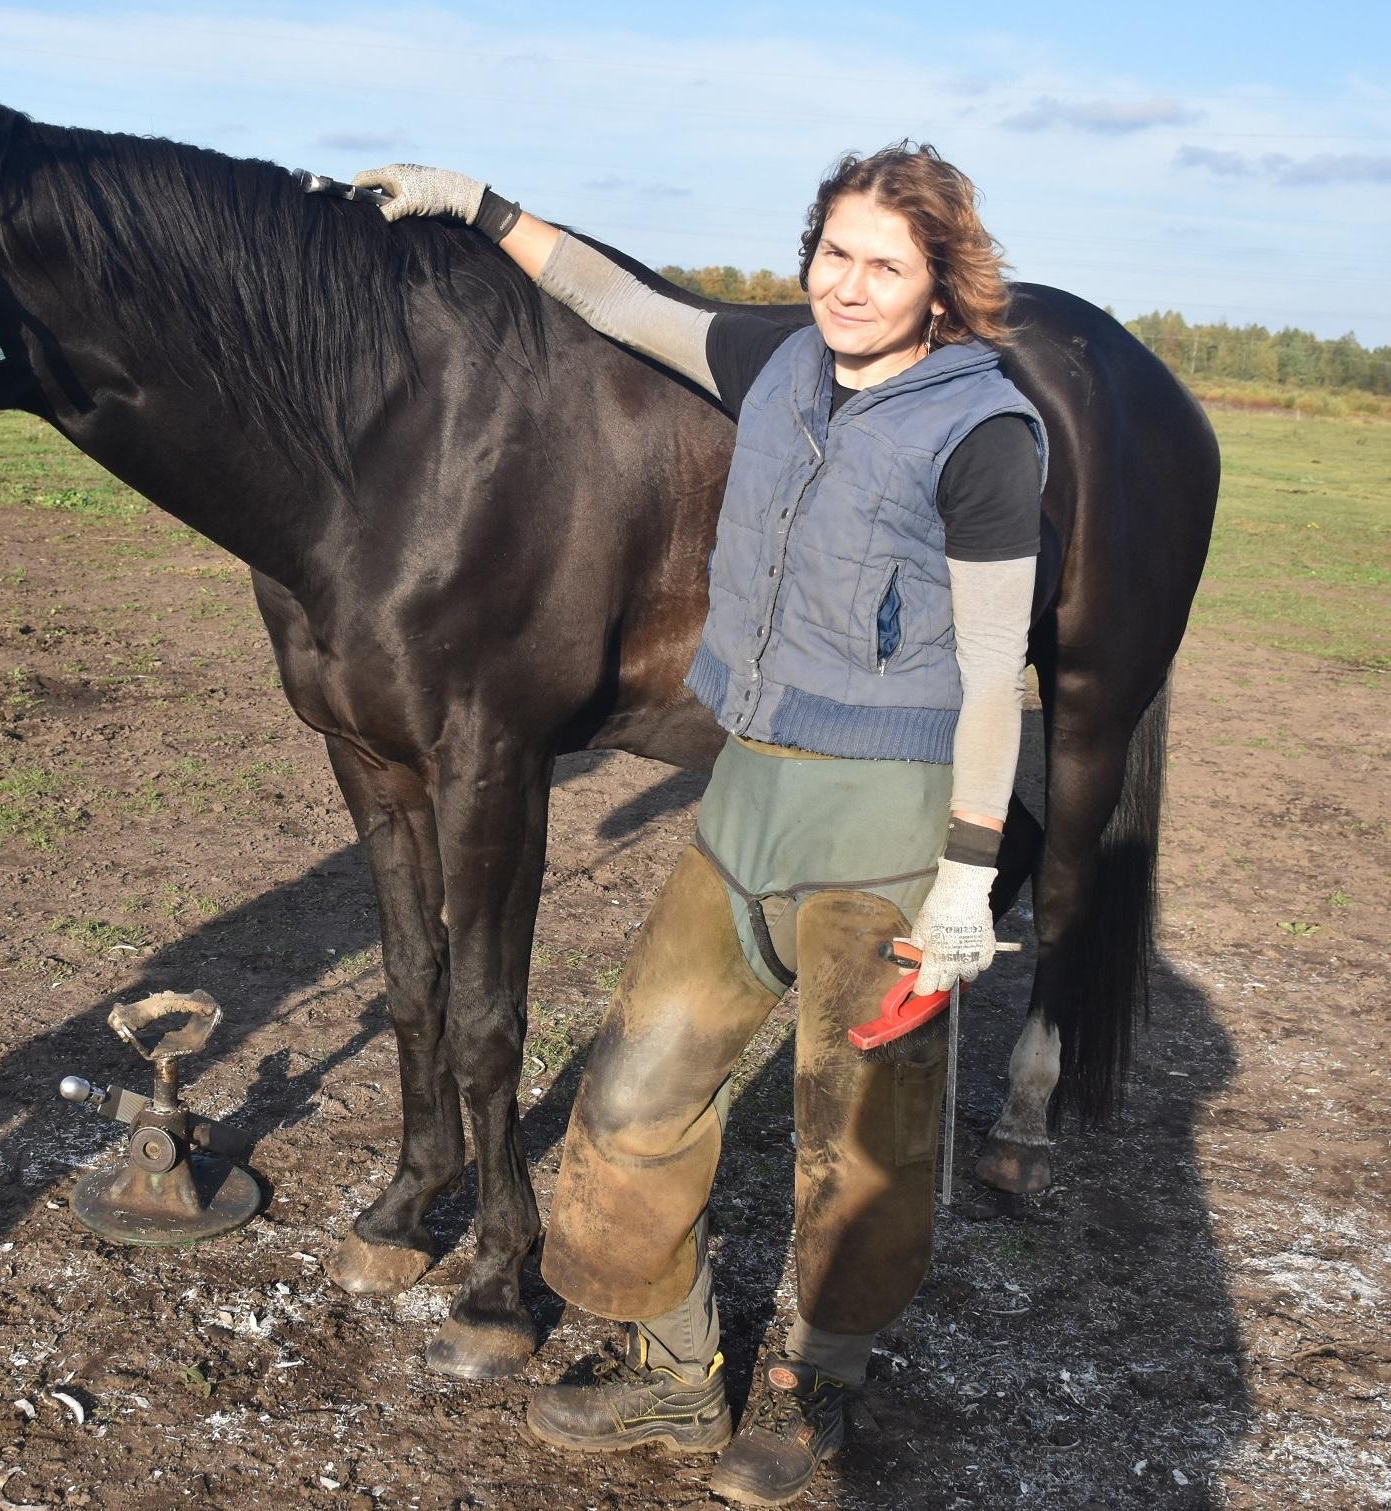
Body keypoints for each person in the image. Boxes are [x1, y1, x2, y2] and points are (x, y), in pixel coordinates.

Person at [352, 145, 1044, 1506]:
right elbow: (616, 302)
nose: (850, 285)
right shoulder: (780, 362)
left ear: (943, 288)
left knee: (862, 1136)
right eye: (833, 254)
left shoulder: (984, 436)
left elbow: (991, 670)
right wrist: (479, 209)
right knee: (631, 1093)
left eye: (886, 265)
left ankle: (815, 1387)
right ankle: (673, 1367)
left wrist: (968, 878)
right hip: (748, 799)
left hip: (891, 830)